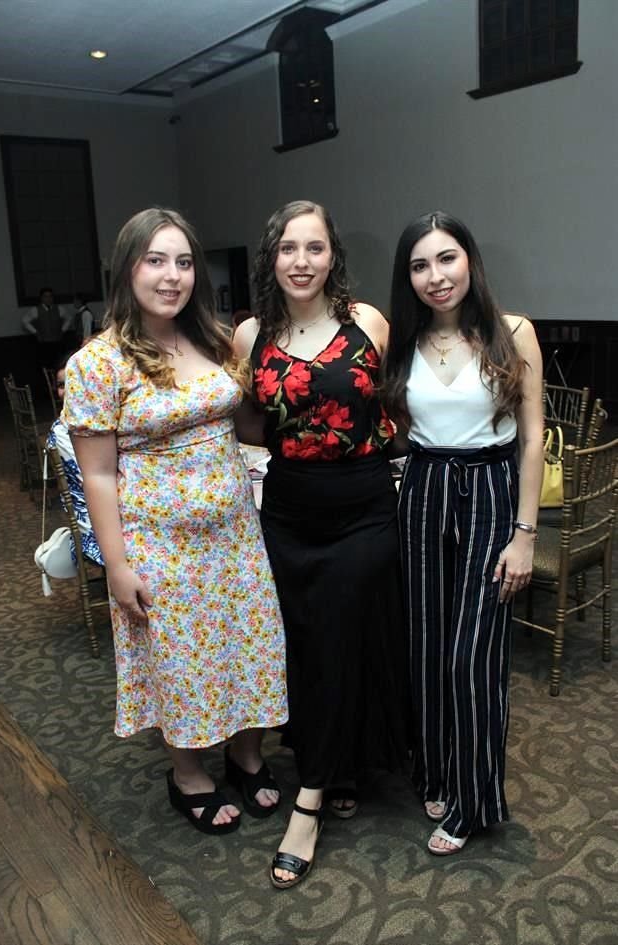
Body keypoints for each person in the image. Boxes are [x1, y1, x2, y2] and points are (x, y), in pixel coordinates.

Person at [63, 207, 288, 835]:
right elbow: (98, 474)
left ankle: (247, 756)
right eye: (155, 261)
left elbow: (247, 423)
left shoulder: (213, 337)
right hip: (159, 546)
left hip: (236, 533)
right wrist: (116, 564)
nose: (172, 276)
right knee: (181, 661)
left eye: (184, 262)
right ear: (126, 268)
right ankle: (188, 772)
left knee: (248, 643)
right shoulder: (98, 363)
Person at [233, 200, 410, 888]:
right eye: (288, 248)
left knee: (341, 626)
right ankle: (340, 765)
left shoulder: (367, 322)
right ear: (270, 258)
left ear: (333, 255)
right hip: (289, 511)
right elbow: (249, 422)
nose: (301, 261)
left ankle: (308, 797)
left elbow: (400, 403)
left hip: (365, 505)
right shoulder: (251, 333)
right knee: (307, 641)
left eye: (314, 247)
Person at [383, 211, 543, 855]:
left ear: (469, 260)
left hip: (491, 494)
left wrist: (525, 533)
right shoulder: (405, 339)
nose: (435, 276)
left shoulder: (513, 333)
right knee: (426, 649)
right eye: (420, 265)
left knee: (472, 658)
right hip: (422, 492)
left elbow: (532, 439)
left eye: (446, 258)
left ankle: (476, 801)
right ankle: (439, 772)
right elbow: (396, 431)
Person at [46, 353, 103, 566]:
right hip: (97, 533)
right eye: (61, 385)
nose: (67, 391)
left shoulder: (92, 421)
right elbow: (95, 483)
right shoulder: (64, 431)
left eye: (73, 382)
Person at [22, 287, 71, 366]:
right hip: (43, 342)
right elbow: (24, 321)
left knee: (58, 362)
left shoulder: (59, 309)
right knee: (44, 363)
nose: (48, 299)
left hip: (57, 341)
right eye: (46, 296)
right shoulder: (35, 310)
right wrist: (35, 332)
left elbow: (69, 318)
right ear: (41, 298)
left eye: (50, 296)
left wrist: (63, 330)